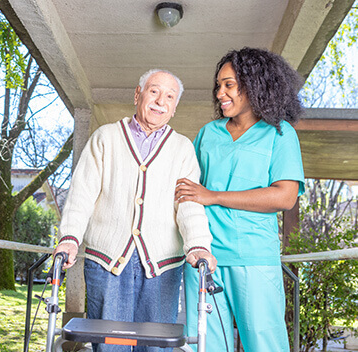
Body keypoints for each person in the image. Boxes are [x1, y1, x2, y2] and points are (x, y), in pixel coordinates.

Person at [54, 68, 217, 352]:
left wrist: (199, 245)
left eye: (169, 96)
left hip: (162, 264)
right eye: (153, 91)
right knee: (108, 344)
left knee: (156, 347)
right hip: (107, 260)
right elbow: (82, 194)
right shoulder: (105, 138)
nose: (160, 101)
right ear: (137, 95)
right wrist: (70, 238)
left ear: (174, 108)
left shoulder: (182, 148)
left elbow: (188, 204)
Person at [175, 47, 305, 352]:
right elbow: (190, 191)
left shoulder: (280, 134)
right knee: (205, 346)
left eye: (229, 84)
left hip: (254, 259)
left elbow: (285, 196)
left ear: (254, 85)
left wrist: (214, 196)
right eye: (218, 85)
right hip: (204, 260)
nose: (220, 92)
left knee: (265, 345)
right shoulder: (209, 133)